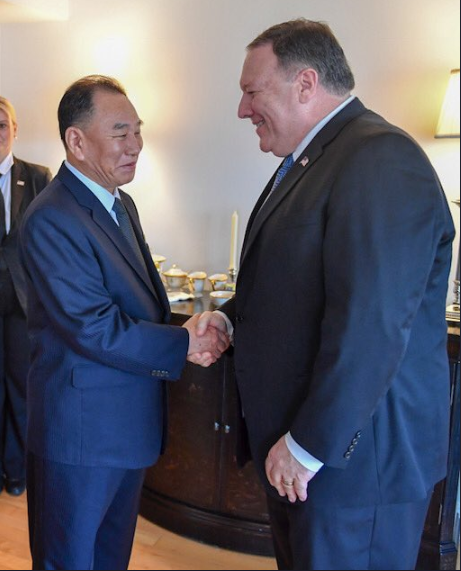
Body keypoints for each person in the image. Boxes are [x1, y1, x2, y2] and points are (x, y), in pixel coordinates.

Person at [197, 19, 455, 570]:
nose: (243, 110)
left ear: (306, 84)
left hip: (354, 464)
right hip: (311, 459)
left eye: (252, 92)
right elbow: (296, 283)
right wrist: (230, 319)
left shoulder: (380, 159)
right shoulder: (316, 160)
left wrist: (309, 445)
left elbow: (372, 324)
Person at [20, 75, 229, 571]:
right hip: (81, 437)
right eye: (120, 132)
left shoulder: (119, 202)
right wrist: (183, 343)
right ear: (76, 141)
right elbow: (93, 327)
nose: (135, 145)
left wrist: (190, 332)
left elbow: (139, 305)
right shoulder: (53, 217)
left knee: (109, 558)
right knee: (69, 561)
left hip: (124, 429)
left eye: (138, 131)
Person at [0, 96, 52, 498]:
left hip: (22, 303)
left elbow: (49, 240)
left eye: (2, 124)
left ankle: (16, 471)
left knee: (22, 389)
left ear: (15, 130)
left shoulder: (37, 177)